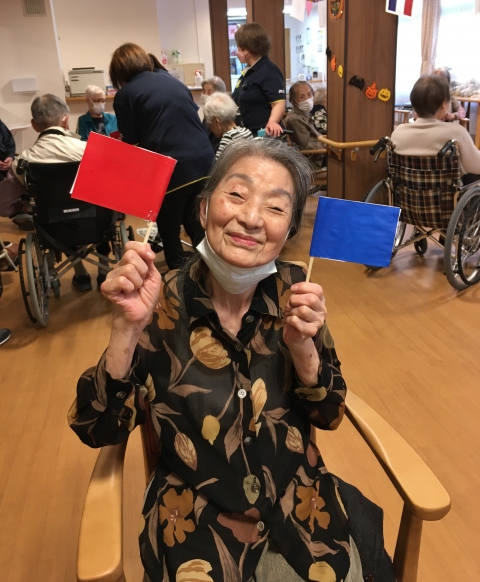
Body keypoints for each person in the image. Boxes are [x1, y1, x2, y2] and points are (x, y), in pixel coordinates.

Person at [69, 138, 395, 582]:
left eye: (276, 207)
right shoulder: (156, 301)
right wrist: (125, 330)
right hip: (195, 523)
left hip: (301, 512)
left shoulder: (297, 293)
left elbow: (330, 412)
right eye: (237, 194)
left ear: (290, 229)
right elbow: (95, 427)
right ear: (204, 210)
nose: (252, 218)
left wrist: (304, 350)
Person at [109, 43, 215, 270]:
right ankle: (207, 273)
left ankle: (179, 279)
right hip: (205, 161)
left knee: (169, 229)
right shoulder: (173, 81)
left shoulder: (126, 95)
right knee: (196, 224)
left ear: (119, 73)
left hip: (171, 168)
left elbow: (132, 144)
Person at [0, 94, 97, 290]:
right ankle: (103, 272)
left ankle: (80, 273)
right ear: (66, 120)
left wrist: (22, 206)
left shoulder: (23, 162)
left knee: (58, 216)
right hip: (95, 221)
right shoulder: (91, 150)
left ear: (34, 125)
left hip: (52, 226)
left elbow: (2, 205)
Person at [391, 75, 480, 184]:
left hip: (407, 193)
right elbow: (477, 166)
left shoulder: (398, 133)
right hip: (446, 193)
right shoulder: (457, 133)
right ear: (444, 104)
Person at [232, 23, 286, 137]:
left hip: (264, 135)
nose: (238, 50)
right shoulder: (249, 71)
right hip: (247, 134)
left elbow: (278, 103)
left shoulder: (269, 71)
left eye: (240, 46)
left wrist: (272, 121)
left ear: (249, 47)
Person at [203, 92, 253, 158]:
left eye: (209, 124)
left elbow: (218, 163)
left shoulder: (228, 138)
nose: (210, 128)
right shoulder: (246, 131)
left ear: (217, 122)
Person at [285, 82, 324, 152]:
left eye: (309, 95)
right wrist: (328, 145)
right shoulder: (295, 119)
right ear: (294, 101)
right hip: (315, 157)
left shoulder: (305, 114)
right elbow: (308, 146)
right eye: (302, 97)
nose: (307, 99)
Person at [201, 76, 228, 152]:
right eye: (203, 91)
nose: (205, 94)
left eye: (209, 92)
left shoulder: (222, 113)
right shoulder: (207, 112)